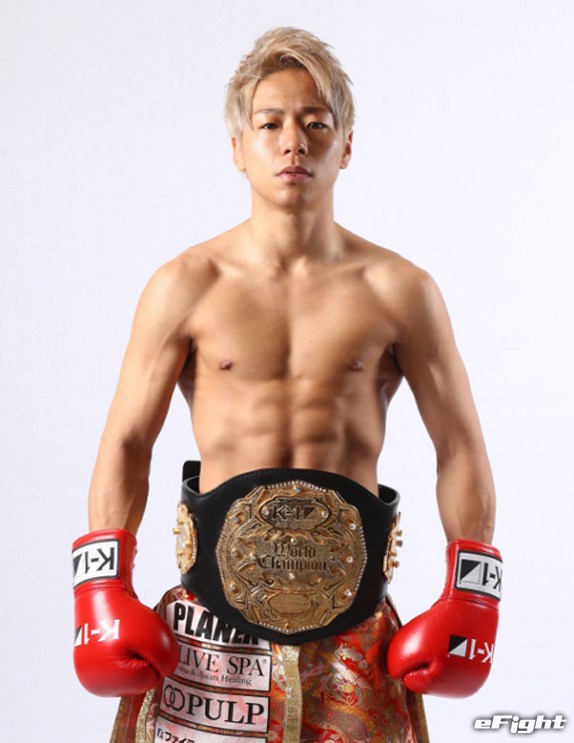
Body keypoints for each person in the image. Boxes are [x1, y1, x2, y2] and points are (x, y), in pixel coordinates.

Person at [71, 27, 502, 743]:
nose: (293, 142)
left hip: (354, 635)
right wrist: (101, 588)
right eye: (270, 124)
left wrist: (473, 597)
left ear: (347, 145)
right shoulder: (185, 285)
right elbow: (126, 441)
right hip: (207, 633)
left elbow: (460, 445)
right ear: (238, 148)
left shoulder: (401, 290)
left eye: (315, 124)